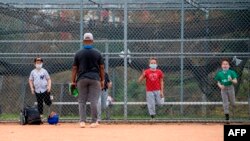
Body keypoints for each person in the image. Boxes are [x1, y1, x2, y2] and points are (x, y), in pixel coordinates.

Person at [71, 32, 105, 128]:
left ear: (83, 41)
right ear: (92, 41)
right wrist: (102, 80)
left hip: (81, 79)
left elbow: (74, 68)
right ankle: (94, 121)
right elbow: (102, 68)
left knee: (81, 101)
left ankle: (82, 121)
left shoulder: (78, 53)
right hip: (95, 79)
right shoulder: (98, 53)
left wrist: (73, 81)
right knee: (93, 100)